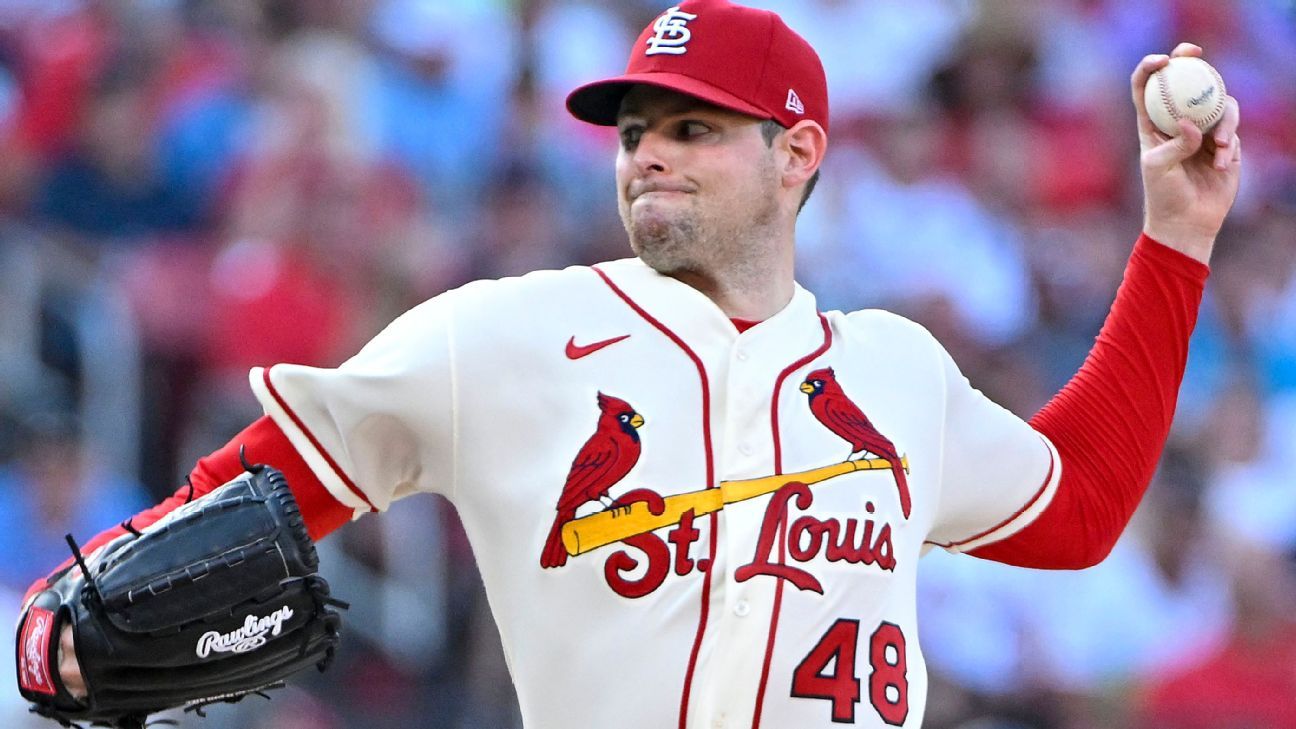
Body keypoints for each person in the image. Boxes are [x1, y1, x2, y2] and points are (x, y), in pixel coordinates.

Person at [19, 1, 1242, 727]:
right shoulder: (500, 337)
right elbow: (271, 482)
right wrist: (57, 627)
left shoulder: (898, 371)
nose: (649, 154)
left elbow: (1077, 510)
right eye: (636, 131)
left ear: (798, 153)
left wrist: (1176, 240)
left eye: (695, 129)